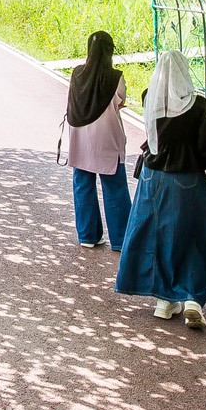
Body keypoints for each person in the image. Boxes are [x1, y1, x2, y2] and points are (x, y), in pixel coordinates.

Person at [115, 51, 206, 327]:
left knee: (158, 236)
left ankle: (164, 301)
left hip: (153, 178)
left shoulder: (148, 96)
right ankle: (191, 296)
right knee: (192, 237)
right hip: (187, 179)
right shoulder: (198, 105)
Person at [63, 30, 129, 249]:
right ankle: (120, 240)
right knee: (115, 188)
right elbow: (120, 101)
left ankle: (87, 236)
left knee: (83, 185)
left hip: (80, 139)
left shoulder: (77, 73)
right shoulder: (115, 77)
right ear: (110, 51)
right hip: (107, 139)